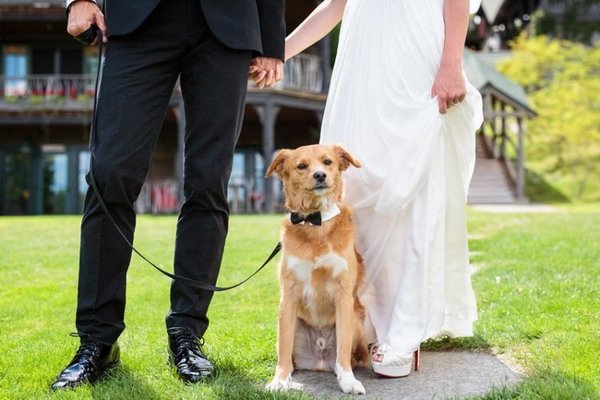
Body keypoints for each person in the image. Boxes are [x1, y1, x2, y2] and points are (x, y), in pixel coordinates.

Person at [51, 0, 285, 390]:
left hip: (225, 26)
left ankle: (187, 334)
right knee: (110, 174)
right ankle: (97, 338)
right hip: (138, 21)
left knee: (208, 181)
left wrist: (271, 40)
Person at [271, 0, 483, 378]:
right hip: (361, 60)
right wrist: (279, 52)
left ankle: (403, 330)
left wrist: (451, 63)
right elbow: (336, 4)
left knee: (408, 183)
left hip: (413, 52)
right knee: (355, 189)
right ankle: (365, 320)